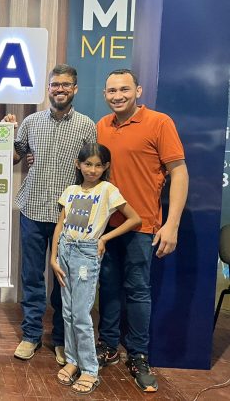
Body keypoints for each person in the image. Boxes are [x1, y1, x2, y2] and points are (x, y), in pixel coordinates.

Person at [95, 69, 189, 392]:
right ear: (104, 95)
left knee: (137, 291)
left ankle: (137, 355)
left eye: (124, 89)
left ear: (138, 91)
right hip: (107, 227)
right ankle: (108, 346)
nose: (117, 96)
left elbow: (179, 173)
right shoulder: (102, 126)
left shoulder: (159, 123)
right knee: (108, 288)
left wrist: (172, 224)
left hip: (142, 226)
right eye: (111, 91)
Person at [2, 64, 96, 364]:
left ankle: (60, 339)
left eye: (66, 85)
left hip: (68, 217)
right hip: (33, 209)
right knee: (31, 277)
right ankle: (31, 335)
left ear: (75, 89)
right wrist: (5, 133)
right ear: (49, 89)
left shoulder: (87, 126)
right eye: (55, 84)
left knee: (63, 280)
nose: (60, 89)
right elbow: (13, 157)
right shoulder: (31, 122)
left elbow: (92, 169)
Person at [51, 143, 141, 395]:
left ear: (106, 166)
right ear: (78, 164)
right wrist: (53, 257)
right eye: (88, 164)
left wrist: (104, 238)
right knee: (67, 312)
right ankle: (72, 360)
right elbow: (60, 225)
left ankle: (90, 369)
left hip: (86, 254)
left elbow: (135, 219)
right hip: (65, 250)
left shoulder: (108, 190)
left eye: (98, 165)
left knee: (81, 314)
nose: (92, 169)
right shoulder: (70, 191)